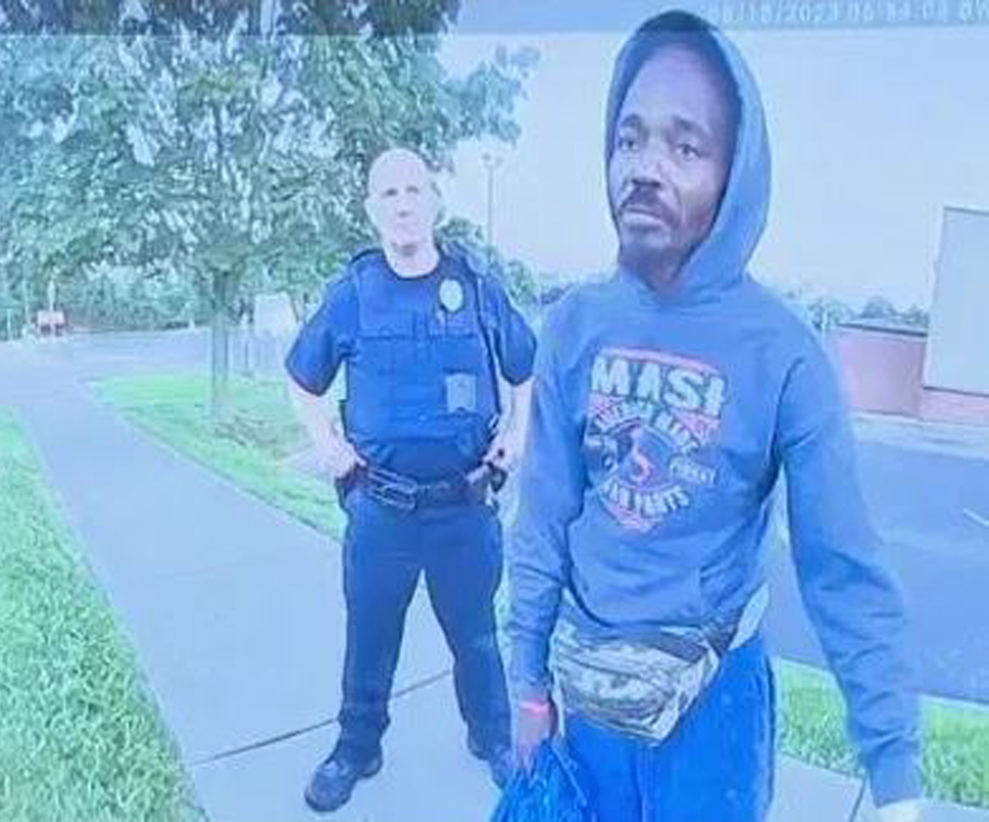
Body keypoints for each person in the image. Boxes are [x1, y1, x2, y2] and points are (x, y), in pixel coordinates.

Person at [508, 11, 923, 822]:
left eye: (685, 146)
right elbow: (543, 519)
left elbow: (844, 569)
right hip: (585, 697)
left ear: (736, 173)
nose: (645, 167)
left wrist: (896, 777)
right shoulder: (573, 325)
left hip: (713, 712)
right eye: (630, 139)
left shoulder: (786, 353)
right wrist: (526, 678)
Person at [286, 147, 537, 813]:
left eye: (413, 190)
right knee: (370, 636)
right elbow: (302, 378)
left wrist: (516, 435)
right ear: (372, 210)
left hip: (465, 507)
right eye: (388, 193)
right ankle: (356, 749)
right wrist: (326, 444)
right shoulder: (352, 295)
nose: (402, 204)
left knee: (477, 636)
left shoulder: (477, 286)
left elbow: (524, 371)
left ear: (435, 203)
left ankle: (493, 737)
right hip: (381, 509)